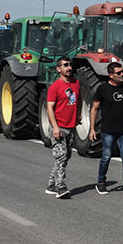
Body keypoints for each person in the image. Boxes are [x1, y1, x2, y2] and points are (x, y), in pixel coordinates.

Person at [90, 62, 123, 197]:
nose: (122, 74)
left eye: (122, 72)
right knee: (106, 157)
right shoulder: (102, 89)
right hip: (108, 130)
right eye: (119, 73)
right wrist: (92, 129)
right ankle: (101, 182)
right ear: (110, 75)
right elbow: (94, 109)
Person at [45, 58, 81, 199]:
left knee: (65, 157)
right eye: (65, 65)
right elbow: (49, 108)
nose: (69, 67)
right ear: (58, 69)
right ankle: (61, 187)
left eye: (70, 65)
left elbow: (79, 99)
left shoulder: (76, 84)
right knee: (61, 157)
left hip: (71, 127)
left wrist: (78, 115)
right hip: (59, 127)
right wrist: (55, 127)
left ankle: (51, 185)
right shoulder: (55, 87)